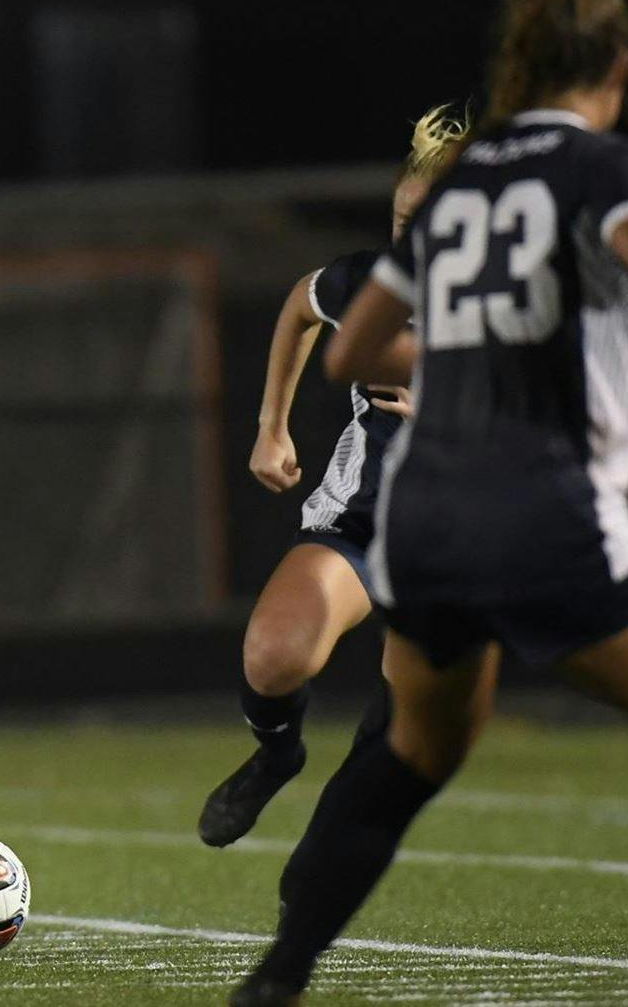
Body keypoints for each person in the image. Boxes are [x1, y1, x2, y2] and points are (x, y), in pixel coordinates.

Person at [231, 0, 628, 1005]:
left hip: (427, 519)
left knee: (422, 745)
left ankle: (283, 967)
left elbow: (352, 349)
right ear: (616, 66)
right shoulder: (602, 163)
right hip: (543, 508)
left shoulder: (459, 193)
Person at [198, 106, 467, 848]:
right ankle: (278, 753)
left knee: (401, 729)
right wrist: (270, 425)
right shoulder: (371, 283)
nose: (409, 238)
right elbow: (301, 302)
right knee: (273, 651)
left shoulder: (516, 303)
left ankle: (330, 847)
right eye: (401, 217)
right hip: (362, 520)